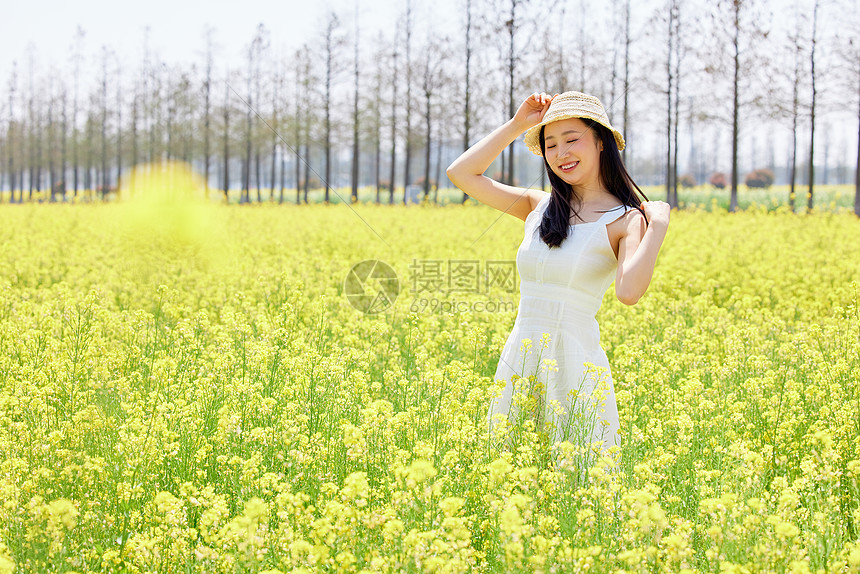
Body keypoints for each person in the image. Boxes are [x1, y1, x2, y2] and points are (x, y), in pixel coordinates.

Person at [446, 90, 670, 467]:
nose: (561, 153)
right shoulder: (539, 207)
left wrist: (657, 226)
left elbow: (629, 292)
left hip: (575, 366)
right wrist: (519, 125)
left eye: (571, 140)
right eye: (550, 145)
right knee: (513, 472)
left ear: (601, 143)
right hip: (522, 358)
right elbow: (461, 174)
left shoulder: (627, 219)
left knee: (575, 481)